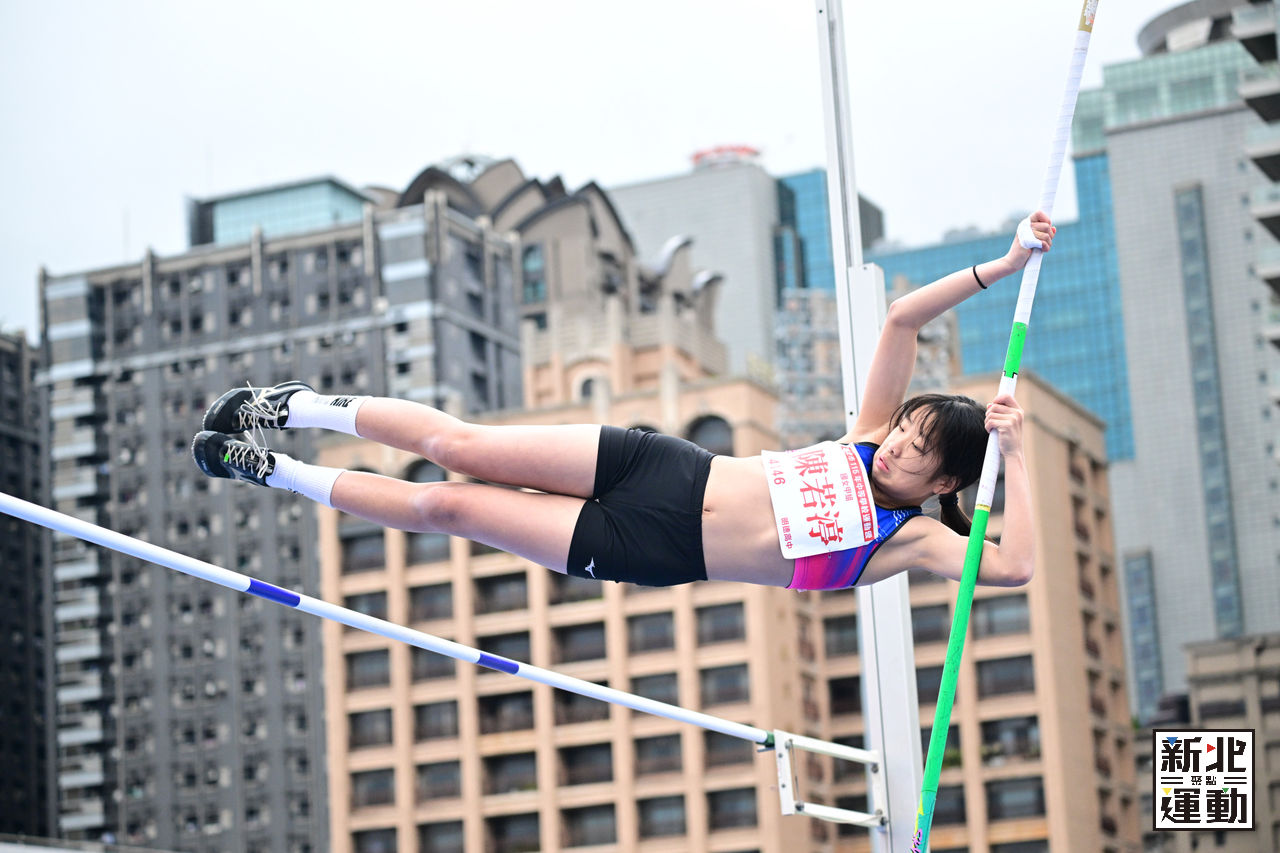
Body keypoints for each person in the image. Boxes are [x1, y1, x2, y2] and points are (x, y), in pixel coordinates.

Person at [192, 213, 1055, 591]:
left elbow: (1015, 566)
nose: (897, 444)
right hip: (662, 467)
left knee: (444, 506)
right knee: (461, 446)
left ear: (947, 481)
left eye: (917, 449)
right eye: (905, 427)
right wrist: (1005, 264)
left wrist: (1017, 453)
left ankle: (273, 470)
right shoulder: (864, 437)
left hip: (650, 545)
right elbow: (902, 318)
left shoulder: (914, 541)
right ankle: (294, 405)